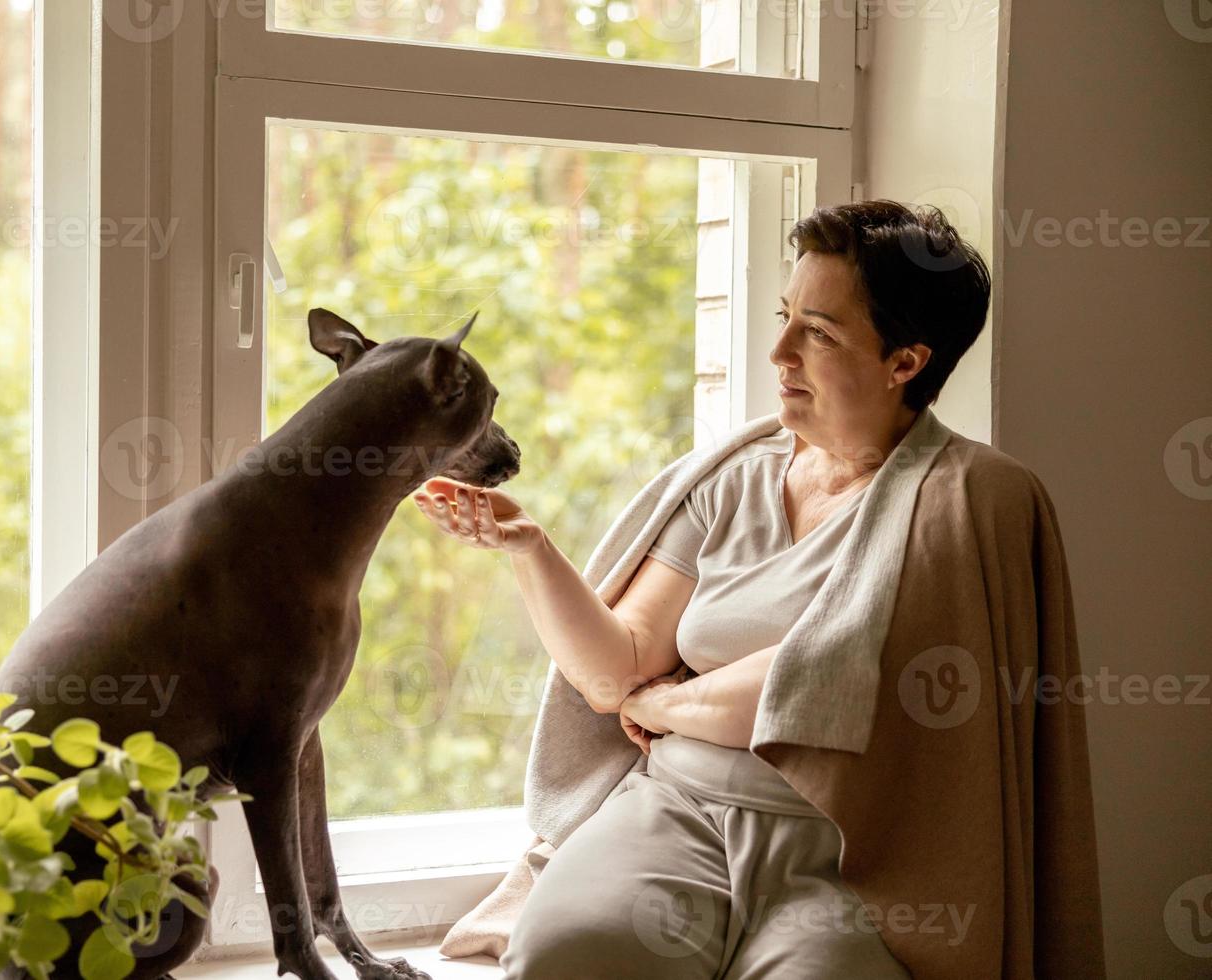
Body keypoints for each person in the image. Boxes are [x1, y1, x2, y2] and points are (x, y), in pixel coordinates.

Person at [411, 200, 992, 978]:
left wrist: (658, 706)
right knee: (562, 956)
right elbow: (615, 671)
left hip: (844, 851)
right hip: (677, 811)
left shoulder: (953, 504)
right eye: (785, 316)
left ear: (904, 363)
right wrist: (530, 547)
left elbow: (801, 687)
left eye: (817, 333)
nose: (779, 350)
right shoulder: (734, 480)